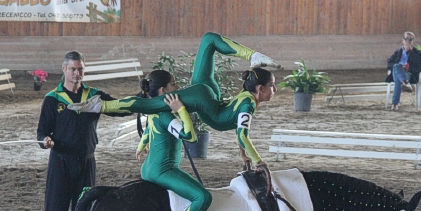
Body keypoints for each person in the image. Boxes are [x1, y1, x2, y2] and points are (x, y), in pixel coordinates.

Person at [66, 32, 279, 174]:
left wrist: (244, 154)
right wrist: (258, 160)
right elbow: (241, 133)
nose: (275, 91)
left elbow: (240, 129)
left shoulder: (247, 94)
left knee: (209, 40)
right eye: (272, 86)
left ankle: (253, 55)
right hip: (210, 106)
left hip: (210, 95)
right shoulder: (249, 103)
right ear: (260, 89)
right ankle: (101, 105)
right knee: (151, 105)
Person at [134, 66, 276, 211]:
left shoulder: (155, 112)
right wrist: (181, 109)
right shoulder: (166, 115)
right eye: (174, 85)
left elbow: (147, 131)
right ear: (164, 91)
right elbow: (190, 136)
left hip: (148, 169)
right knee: (202, 197)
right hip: (162, 170)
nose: (179, 88)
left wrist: (141, 145)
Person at [36, 51, 121, 211]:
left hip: (86, 163)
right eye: (73, 69)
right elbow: (42, 131)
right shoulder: (53, 99)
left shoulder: (94, 96)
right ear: (64, 70)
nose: (77, 74)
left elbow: (119, 108)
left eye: (80, 69)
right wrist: (45, 141)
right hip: (61, 164)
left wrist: (143, 101)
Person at [385, 31, 421, 111]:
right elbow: (389, 62)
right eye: (406, 39)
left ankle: (395, 104)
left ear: (413, 41)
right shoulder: (398, 52)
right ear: (403, 41)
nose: (408, 41)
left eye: (410, 39)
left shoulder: (417, 53)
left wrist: (410, 52)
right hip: (398, 71)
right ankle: (405, 83)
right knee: (396, 66)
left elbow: (419, 64)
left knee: (397, 80)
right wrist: (400, 67)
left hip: (408, 73)